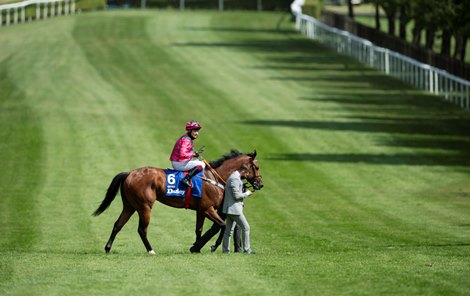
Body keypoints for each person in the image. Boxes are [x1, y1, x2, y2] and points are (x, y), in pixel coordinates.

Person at [222, 164, 255, 254]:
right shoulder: (235, 178)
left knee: (228, 231)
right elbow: (236, 196)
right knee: (246, 227)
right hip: (234, 209)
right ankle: (247, 250)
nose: (246, 176)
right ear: (243, 171)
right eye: (246, 174)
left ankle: (225, 250)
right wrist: (247, 193)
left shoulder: (234, 177)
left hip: (230, 208)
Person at [170, 120, 205, 187]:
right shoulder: (186, 140)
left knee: (199, 161)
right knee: (202, 164)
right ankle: (186, 179)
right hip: (178, 164)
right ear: (190, 131)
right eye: (195, 131)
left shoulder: (186, 138)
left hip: (178, 161)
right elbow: (182, 154)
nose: (197, 133)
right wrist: (193, 154)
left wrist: (194, 155)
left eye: (197, 131)